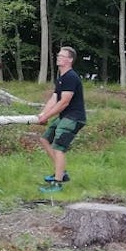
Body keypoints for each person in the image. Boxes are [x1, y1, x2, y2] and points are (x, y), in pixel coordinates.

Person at [36, 46, 86, 190]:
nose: (58, 57)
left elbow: (64, 102)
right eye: (58, 55)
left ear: (69, 60)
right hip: (65, 117)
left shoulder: (71, 77)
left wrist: (47, 116)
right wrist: (43, 114)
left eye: (62, 56)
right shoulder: (61, 78)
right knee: (45, 139)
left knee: (59, 148)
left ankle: (57, 184)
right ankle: (61, 172)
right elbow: (54, 98)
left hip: (74, 118)